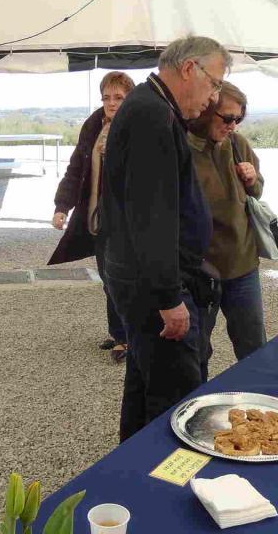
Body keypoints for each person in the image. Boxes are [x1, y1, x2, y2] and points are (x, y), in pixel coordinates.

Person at [99, 36, 230, 441]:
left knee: (146, 382)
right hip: (149, 284)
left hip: (140, 277)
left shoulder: (153, 107)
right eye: (214, 84)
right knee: (177, 395)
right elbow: (152, 216)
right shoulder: (151, 114)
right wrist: (169, 298)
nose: (213, 99)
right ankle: (162, 487)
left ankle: (131, 474)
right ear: (190, 69)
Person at [49, 71, 135, 362]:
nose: (111, 103)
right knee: (108, 280)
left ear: (130, 98)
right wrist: (62, 205)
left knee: (121, 279)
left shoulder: (138, 126)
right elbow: (76, 168)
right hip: (97, 220)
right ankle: (117, 332)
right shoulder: (93, 124)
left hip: (126, 222)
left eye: (119, 98)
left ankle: (129, 338)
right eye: (107, 97)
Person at [187, 81, 266, 360]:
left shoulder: (237, 143)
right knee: (195, 352)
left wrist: (253, 179)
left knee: (253, 347)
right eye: (229, 118)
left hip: (243, 264)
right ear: (206, 111)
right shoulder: (182, 149)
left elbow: (257, 190)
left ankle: (256, 399)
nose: (233, 125)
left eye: (239, 119)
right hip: (202, 271)